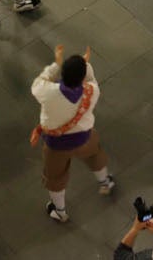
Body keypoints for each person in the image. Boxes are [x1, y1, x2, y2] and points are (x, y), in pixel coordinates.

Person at [30, 43, 115, 223]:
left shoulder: (47, 92)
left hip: (56, 145)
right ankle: (105, 183)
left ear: (63, 74)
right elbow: (91, 78)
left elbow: (38, 83)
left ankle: (60, 211)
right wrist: (85, 64)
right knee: (95, 156)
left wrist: (57, 63)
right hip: (84, 137)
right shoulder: (92, 91)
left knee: (55, 177)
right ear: (83, 77)